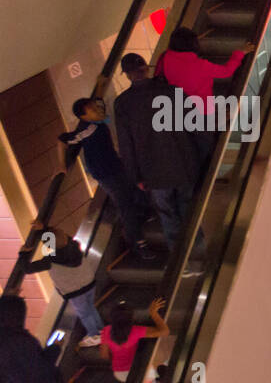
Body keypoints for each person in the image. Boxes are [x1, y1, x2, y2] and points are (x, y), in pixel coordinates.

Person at [116, 53, 204, 251]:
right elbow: (196, 125)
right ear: (146, 68)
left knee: (166, 212)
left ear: (127, 75)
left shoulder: (123, 104)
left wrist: (135, 176)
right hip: (183, 162)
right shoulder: (172, 91)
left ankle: (179, 259)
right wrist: (201, 155)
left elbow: (126, 146)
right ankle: (197, 249)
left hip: (152, 172)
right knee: (188, 207)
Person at [62, 98, 152, 261]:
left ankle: (143, 217)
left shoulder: (98, 123)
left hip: (116, 167)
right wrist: (61, 165)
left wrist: (102, 83)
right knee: (125, 205)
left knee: (135, 192)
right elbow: (62, 140)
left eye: (96, 107)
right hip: (106, 174)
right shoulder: (88, 129)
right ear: (84, 116)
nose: (98, 109)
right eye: (93, 109)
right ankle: (138, 243)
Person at [155, 29, 255, 168]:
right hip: (202, 112)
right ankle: (200, 173)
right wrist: (240, 53)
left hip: (178, 109)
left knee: (186, 144)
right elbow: (226, 71)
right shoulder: (200, 65)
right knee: (204, 144)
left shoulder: (166, 58)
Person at [20, 226, 103, 348]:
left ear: (49, 246)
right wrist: (44, 229)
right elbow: (64, 238)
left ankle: (94, 334)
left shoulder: (49, 261)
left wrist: (23, 254)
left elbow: (27, 269)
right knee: (90, 307)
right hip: (89, 282)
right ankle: (101, 330)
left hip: (75, 291)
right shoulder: (74, 245)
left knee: (84, 313)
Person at [100, 298, 169, 383]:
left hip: (119, 373)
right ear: (131, 318)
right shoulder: (136, 331)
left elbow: (104, 355)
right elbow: (164, 331)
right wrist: (153, 313)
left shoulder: (106, 331)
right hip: (140, 372)